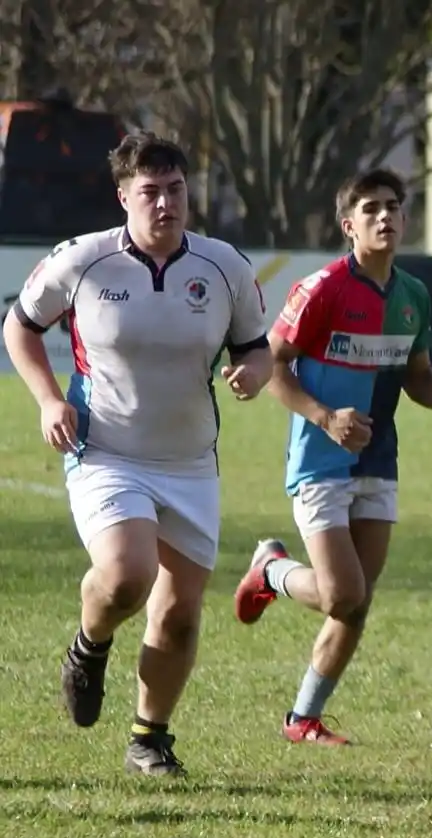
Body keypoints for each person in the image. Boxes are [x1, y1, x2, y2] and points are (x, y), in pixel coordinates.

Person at [1, 131, 271, 776]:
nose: (165, 204)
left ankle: (149, 739)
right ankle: (89, 646)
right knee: (127, 575)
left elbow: (254, 347)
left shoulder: (224, 266)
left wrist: (255, 374)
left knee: (178, 616)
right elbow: (20, 325)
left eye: (175, 190)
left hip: (189, 461)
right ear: (124, 196)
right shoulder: (84, 261)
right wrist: (46, 399)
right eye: (149, 192)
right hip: (106, 450)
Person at [232, 168, 432, 744]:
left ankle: (302, 719)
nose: (385, 216)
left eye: (394, 207)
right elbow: (271, 364)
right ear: (348, 225)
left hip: (379, 462)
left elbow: (421, 381)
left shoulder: (414, 296)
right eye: (371, 208)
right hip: (321, 462)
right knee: (342, 594)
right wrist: (326, 417)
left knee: (354, 605)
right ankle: (270, 570)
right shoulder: (321, 288)